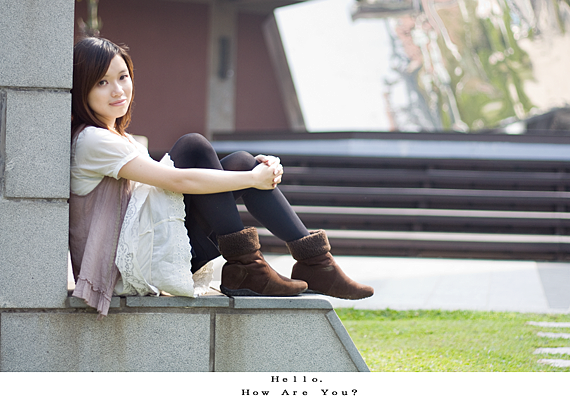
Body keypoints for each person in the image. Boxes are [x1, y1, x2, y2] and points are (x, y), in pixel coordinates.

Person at [69, 36, 373, 317]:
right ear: (82, 90)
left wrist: (254, 171)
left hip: (148, 253)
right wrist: (253, 180)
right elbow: (177, 182)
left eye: (123, 77)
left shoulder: (120, 139)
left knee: (242, 162)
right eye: (102, 82)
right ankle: (252, 265)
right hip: (124, 269)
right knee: (193, 147)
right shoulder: (92, 140)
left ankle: (314, 263)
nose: (118, 90)